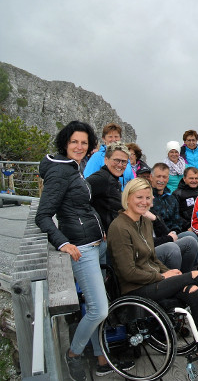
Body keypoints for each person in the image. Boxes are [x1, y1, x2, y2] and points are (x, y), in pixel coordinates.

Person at [35, 121, 129, 379]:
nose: (79, 146)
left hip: (96, 243)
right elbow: (43, 216)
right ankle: (74, 354)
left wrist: (100, 229)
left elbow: (82, 206)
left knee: (99, 304)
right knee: (99, 309)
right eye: (74, 141)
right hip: (82, 248)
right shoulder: (59, 171)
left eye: (84, 142)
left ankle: (101, 358)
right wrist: (63, 243)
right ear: (65, 143)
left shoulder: (74, 167)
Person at [107, 178, 198, 366]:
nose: (144, 202)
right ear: (127, 198)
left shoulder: (144, 221)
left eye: (148, 198)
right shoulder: (119, 227)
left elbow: (152, 258)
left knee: (193, 291)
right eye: (139, 197)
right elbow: (128, 272)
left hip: (153, 280)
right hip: (135, 288)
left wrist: (168, 272)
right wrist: (162, 276)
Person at [149, 163, 198, 272]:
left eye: (164, 177)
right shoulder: (148, 198)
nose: (161, 180)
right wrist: (169, 237)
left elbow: (177, 220)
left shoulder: (171, 198)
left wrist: (175, 232)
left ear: (168, 179)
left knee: (191, 236)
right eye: (158, 176)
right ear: (151, 177)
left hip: (172, 234)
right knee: (179, 244)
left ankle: (187, 272)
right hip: (157, 239)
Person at [86, 142, 131, 233]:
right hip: (101, 236)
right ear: (106, 160)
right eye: (116, 160)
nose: (120, 165)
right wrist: (97, 228)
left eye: (124, 162)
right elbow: (77, 200)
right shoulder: (100, 179)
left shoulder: (114, 180)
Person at [83, 122, 134, 188]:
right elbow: (87, 180)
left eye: (116, 136)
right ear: (104, 139)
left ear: (120, 138)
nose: (114, 140)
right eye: (110, 137)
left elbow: (132, 181)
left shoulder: (125, 158)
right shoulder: (97, 157)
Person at [173, 166, 198, 231]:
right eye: (191, 178)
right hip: (188, 228)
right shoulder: (177, 194)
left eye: (196, 178)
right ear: (184, 179)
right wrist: (187, 226)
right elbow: (175, 215)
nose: (194, 181)